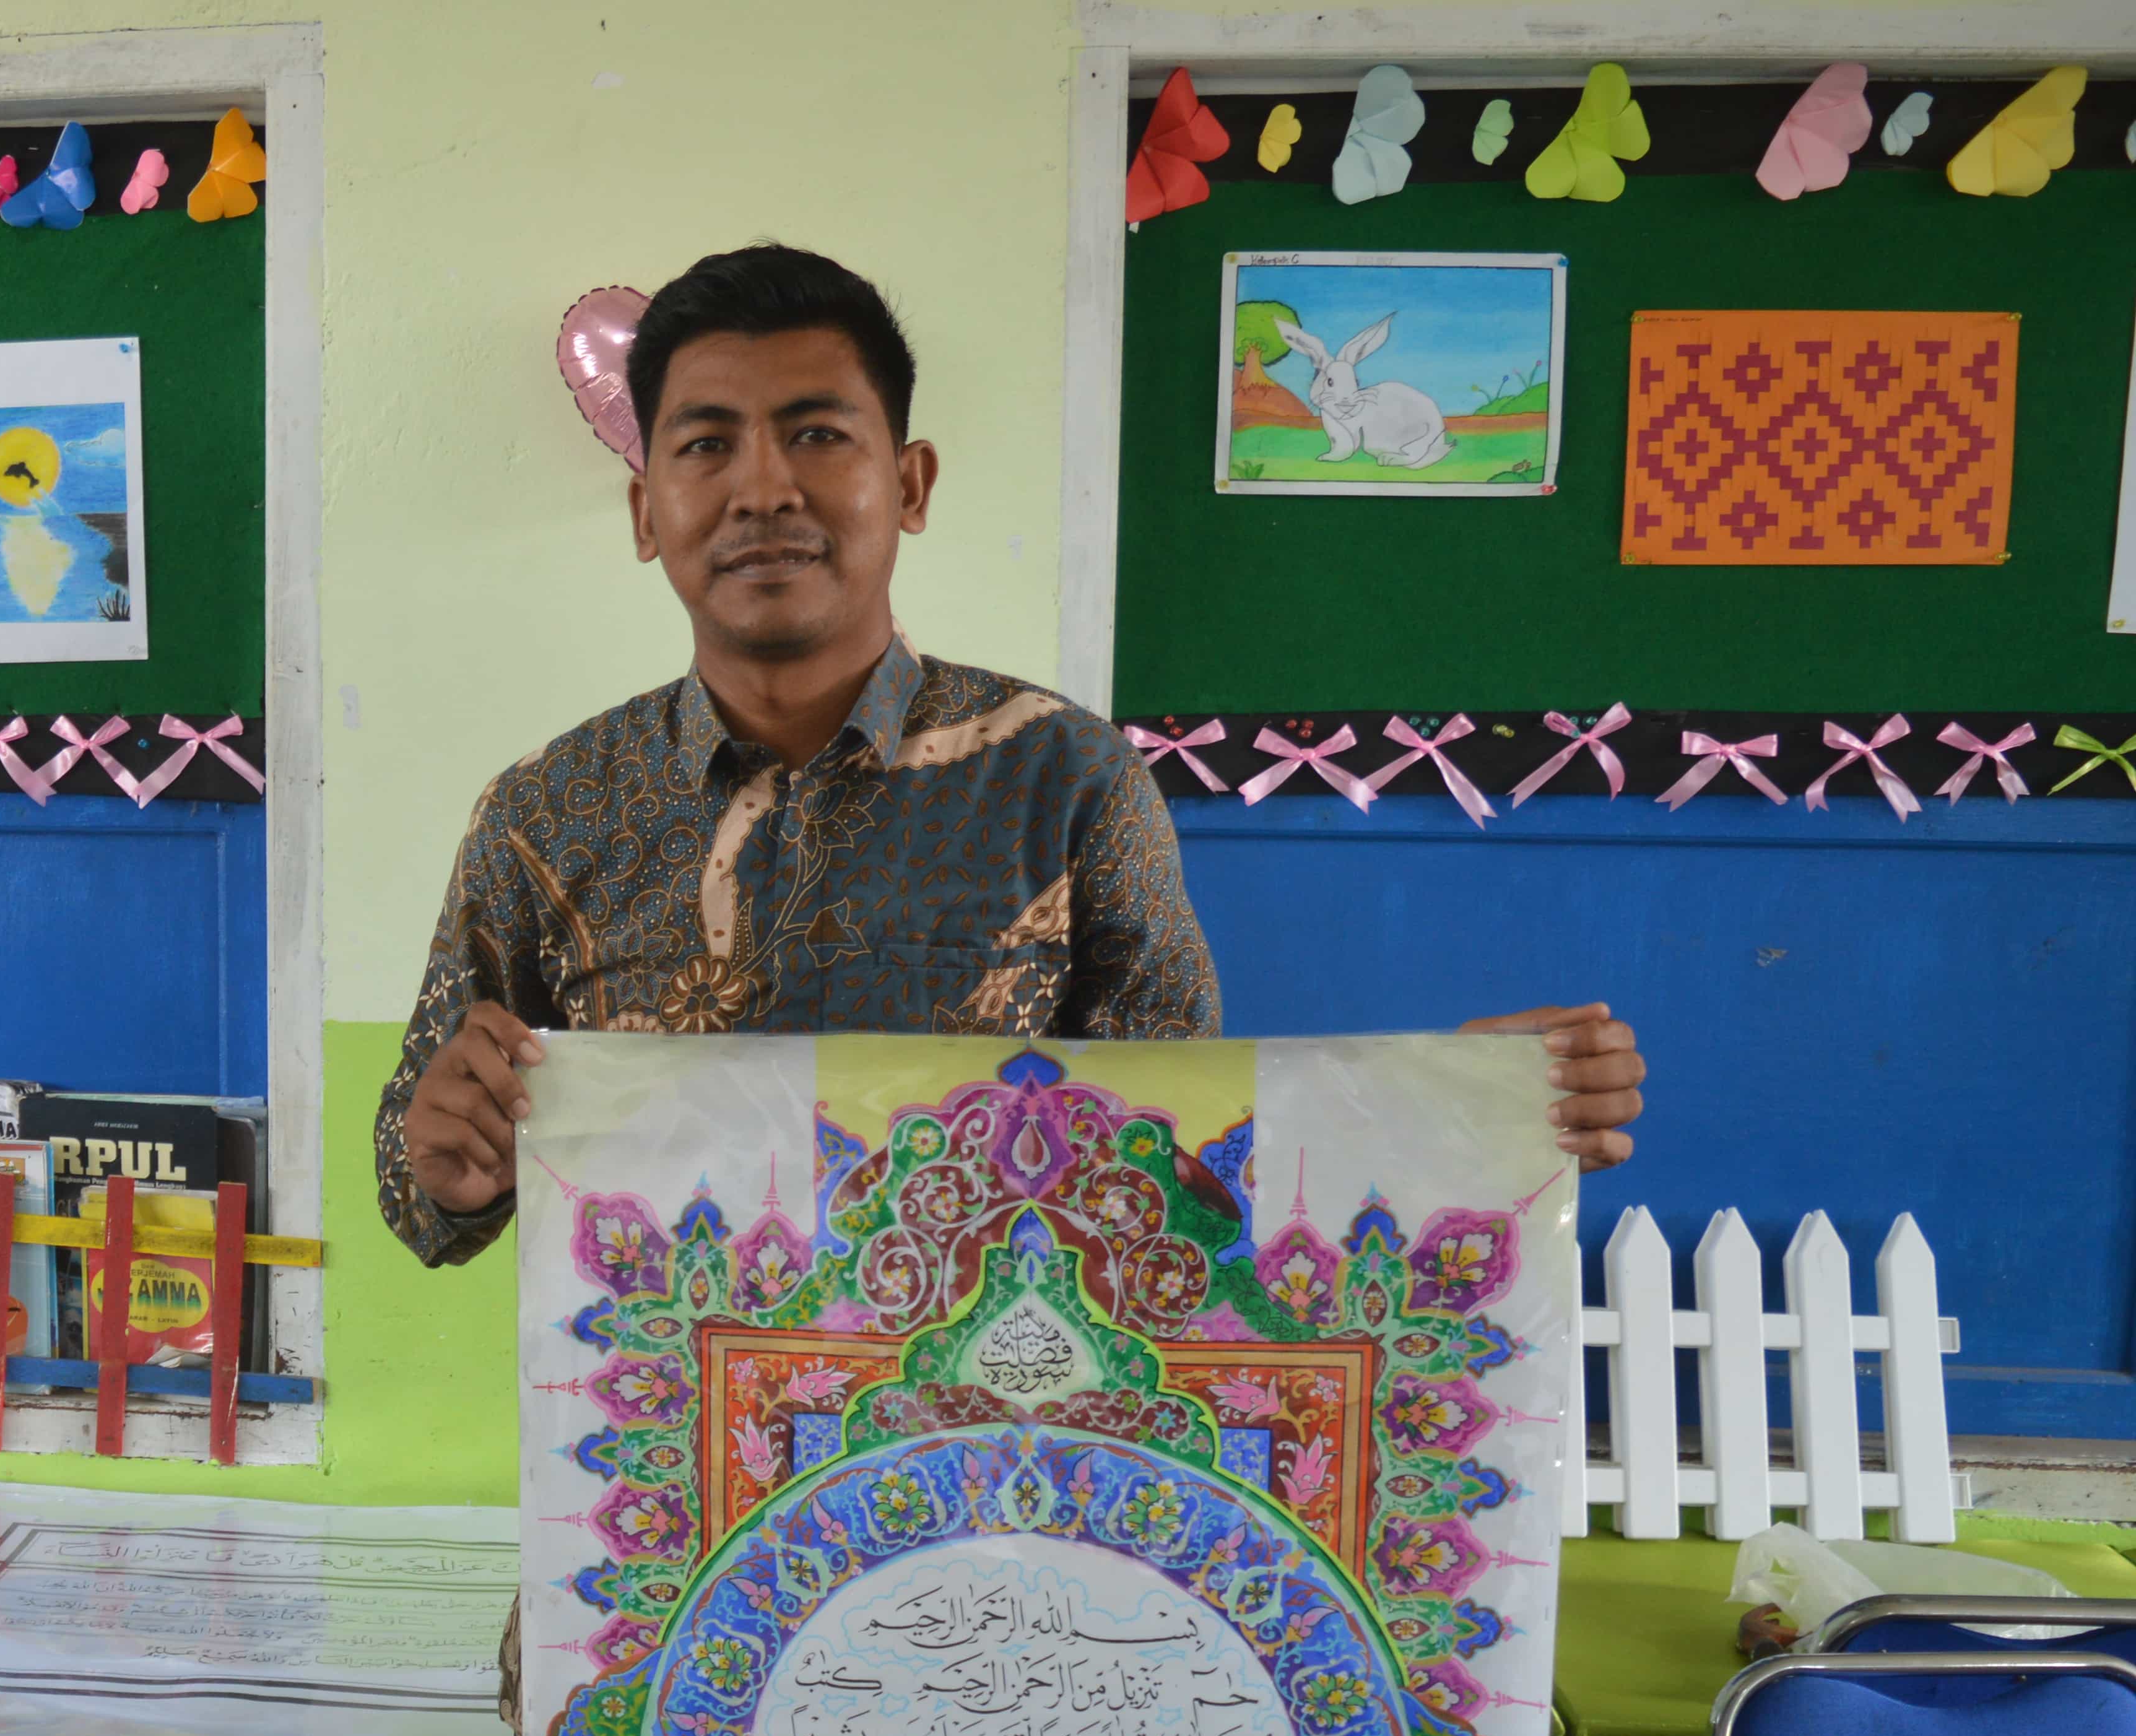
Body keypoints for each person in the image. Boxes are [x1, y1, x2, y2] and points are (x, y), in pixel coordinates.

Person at [375, 243, 1644, 1266]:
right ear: (645, 509)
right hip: (654, 1464)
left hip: (999, 1467)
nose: (762, 488)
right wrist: (444, 1165)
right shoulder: (547, 812)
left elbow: (1188, 1155)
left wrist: (1455, 1101)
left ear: (910, 484)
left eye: (817, 433)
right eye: (705, 444)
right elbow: (419, 1187)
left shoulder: (1065, 780)